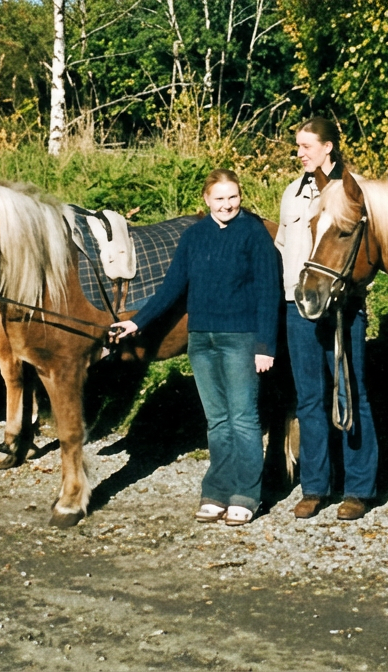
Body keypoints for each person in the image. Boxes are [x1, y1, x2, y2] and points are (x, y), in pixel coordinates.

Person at [111, 169, 281, 527]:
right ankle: (217, 491)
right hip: (201, 340)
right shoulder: (193, 236)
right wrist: (137, 322)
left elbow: (269, 291)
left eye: (233, 197)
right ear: (206, 199)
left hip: (240, 338)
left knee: (243, 418)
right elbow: (172, 286)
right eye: (220, 198)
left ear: (240, 196)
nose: (227, 205)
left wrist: (265, 345)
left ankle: (246, 495)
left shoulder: (254, 234)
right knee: (217, 420)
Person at [277, 117, 380, 521]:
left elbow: (366, 249)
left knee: (352, 395)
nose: (299, 152)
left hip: (341, 308)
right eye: (298, 146)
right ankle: (315, 486)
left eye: (306, 146)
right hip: (297, 305)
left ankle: (358, 488)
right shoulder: (292, 193)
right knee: (309, 398)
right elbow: (284, 246)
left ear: (328, 147)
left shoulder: (353, 191)